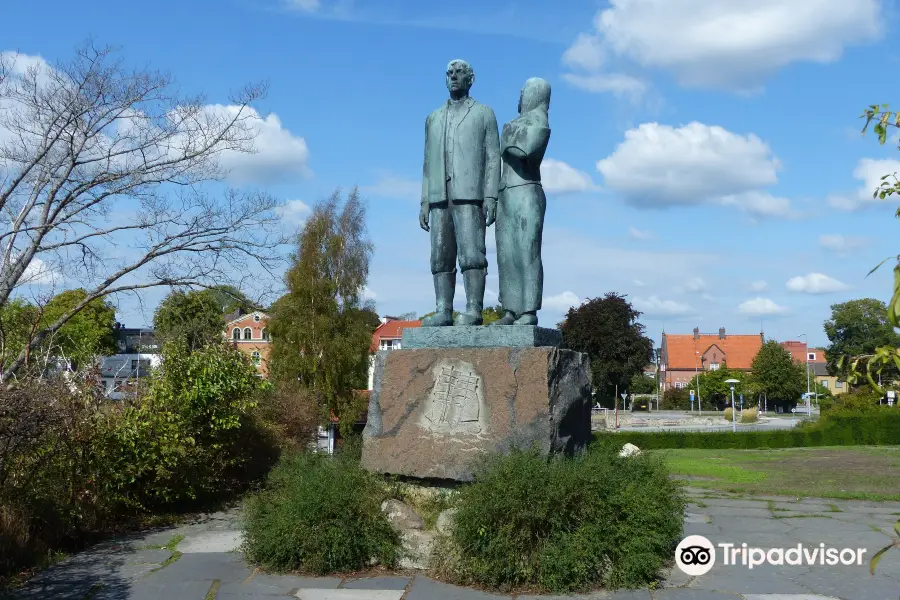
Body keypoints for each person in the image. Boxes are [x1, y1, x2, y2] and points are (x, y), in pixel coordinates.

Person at [419, 59, 500, 326]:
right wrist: (424, 202)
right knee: (440, 257)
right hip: (439, 196)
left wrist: (490, 196)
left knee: (472, 255)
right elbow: (427, 164)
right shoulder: (433, 118)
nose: (453, 77)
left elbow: (492, 157)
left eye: (459, 73)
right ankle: (443, 310)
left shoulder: (484, 113)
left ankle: (474, 309)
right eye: (449, 73)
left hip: (470, 195)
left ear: (471, 79)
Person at [492, 78, 551, 326]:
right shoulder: (513, 124)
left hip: (527, 192)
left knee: (527, 251)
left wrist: (506, 140)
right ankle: (509, 308)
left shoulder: (539, 120)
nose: (520, 94)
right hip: (506, 193)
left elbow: (528, 152)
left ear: (535, 94)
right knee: (506, 254)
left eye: (524, 90)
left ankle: (528, 310)